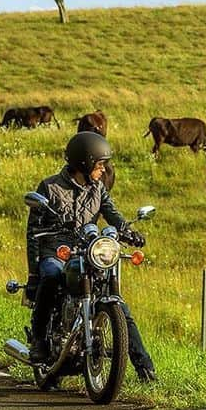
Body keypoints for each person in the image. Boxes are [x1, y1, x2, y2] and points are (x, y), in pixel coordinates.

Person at [26, 131, 157, 382]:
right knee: (52, 276)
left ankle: (144, 367)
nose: (103, 170)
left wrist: (129, 231)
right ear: (84, 163)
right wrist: (34, 272)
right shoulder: (50, 187)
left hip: (88, 250)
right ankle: (40, 341)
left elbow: (112, 214)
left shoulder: (97, 188)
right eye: (99, 165)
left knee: (118, 302)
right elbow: (33, 232)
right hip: (56, 251)